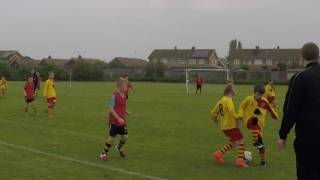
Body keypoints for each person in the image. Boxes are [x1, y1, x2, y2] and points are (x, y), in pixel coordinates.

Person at [278, 42, 320, 180]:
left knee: (306, 174)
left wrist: (283, 135)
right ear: (318, 56)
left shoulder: (300, 78)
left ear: (302, 57)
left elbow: (290, 109)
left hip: (308, 138)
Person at [239, 84, 278, 167]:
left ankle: (263, 162)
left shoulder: (264, 101)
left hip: (258, 126)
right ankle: (254, 141)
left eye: (262, 94)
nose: (260, 96)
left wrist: (275, 115)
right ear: (255, 92)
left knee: (261, 145)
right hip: (249, 120)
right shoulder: (249, 99)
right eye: (259, 94)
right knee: (254, 119)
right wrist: (240, 115)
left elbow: (270, 110)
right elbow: (241, 107)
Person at [210, 86, 248, 168]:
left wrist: (215, 119)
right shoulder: (228, 100)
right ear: (230, 93)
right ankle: (240, 161)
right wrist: (238, 117)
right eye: (233, 93)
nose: (233, 95)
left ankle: (218, 153)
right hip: (231, 126)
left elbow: (212, 112)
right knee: (241, 140)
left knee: (234, 143)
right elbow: (231, 111)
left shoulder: (220, 101)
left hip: (224, 127)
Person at [100, 77, 130, 161]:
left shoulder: (124, 96)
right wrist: (118, 118)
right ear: (120, 86)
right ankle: (103, 154)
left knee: (125, 136)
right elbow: (111, 109)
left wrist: (125, 112)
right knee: (111, 138)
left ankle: (119, 147)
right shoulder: (114, 96)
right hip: (114, 121)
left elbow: (121, 106)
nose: (127, 88)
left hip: (121, 121)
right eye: (125, 86)